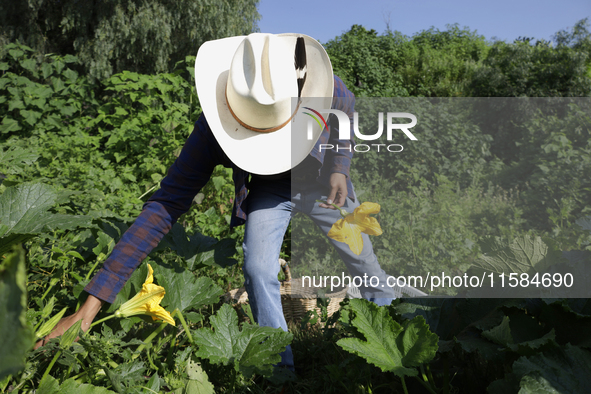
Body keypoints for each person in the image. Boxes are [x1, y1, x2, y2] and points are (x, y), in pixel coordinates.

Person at [35, 33, 396, 369]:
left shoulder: (323, 87)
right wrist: (90, 307)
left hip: (321, 183)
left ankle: (395, 345)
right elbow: (163, 208)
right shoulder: (212, 128)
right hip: (271, 189)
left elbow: (345, 113)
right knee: (257, 269)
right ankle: (279, 366)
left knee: (363, 260)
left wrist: (339, 166)